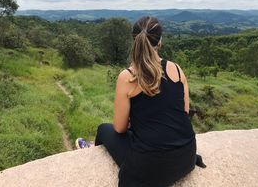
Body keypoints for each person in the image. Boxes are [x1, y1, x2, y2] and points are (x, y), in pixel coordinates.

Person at [77, 16, 205, 186]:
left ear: (134, 40)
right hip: (186, 159)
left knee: (103, 129)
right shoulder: (176, 69)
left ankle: (92, 151)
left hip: (149, 169)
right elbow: (183, 113)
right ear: (160, 41)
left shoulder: (127, 77)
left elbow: (120, 128)